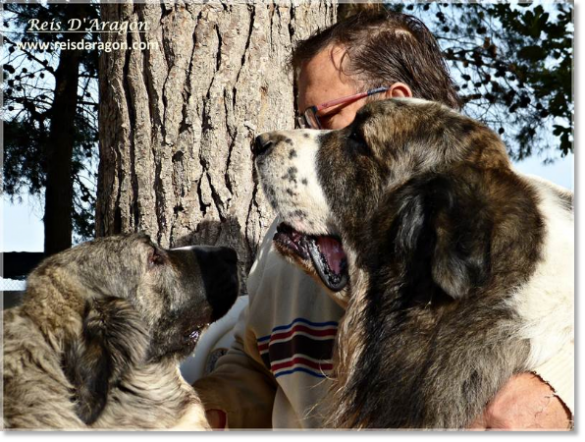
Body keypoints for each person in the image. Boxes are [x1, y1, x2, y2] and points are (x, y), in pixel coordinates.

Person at [193, 10, 573, 430]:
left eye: (323, 117)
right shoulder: (284, 245)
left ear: (395, 98)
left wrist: (558, 392)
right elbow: (254, 366)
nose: (295, 137)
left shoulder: (539, 230)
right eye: (306, 122)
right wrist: (204, 412)